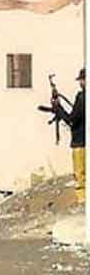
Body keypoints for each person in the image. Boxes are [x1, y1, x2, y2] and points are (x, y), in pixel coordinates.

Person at [55, 68, 86, 203]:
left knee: (80, 176)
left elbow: (72, 120)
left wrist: (58, 109)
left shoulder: (82, 97)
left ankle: (83, 202)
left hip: (80, 143)